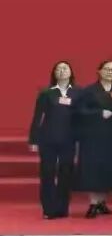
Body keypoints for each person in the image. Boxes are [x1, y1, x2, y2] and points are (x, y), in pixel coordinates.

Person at [28, 61, 78, 219]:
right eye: (59, 69)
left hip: (69, 139)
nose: (62, 71)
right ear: (54, 73)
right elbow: (37, 117)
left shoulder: (77, 93)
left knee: (66, 173)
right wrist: (33, 139)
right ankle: (48, 209)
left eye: (65, 68)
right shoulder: (46, 93)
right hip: (48, 139)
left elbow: (82, 115)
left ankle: (62, 208)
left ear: (71, 72)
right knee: (47, 173)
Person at [75, 60, 112, 218]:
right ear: (99, 71)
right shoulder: (89, 90)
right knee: (93, 169)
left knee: (107, 169)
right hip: (93, 136)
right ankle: (93, 203)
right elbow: (80, 111)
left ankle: (102, 202)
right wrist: (99, 114)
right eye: (107, 69)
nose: (110, 72)